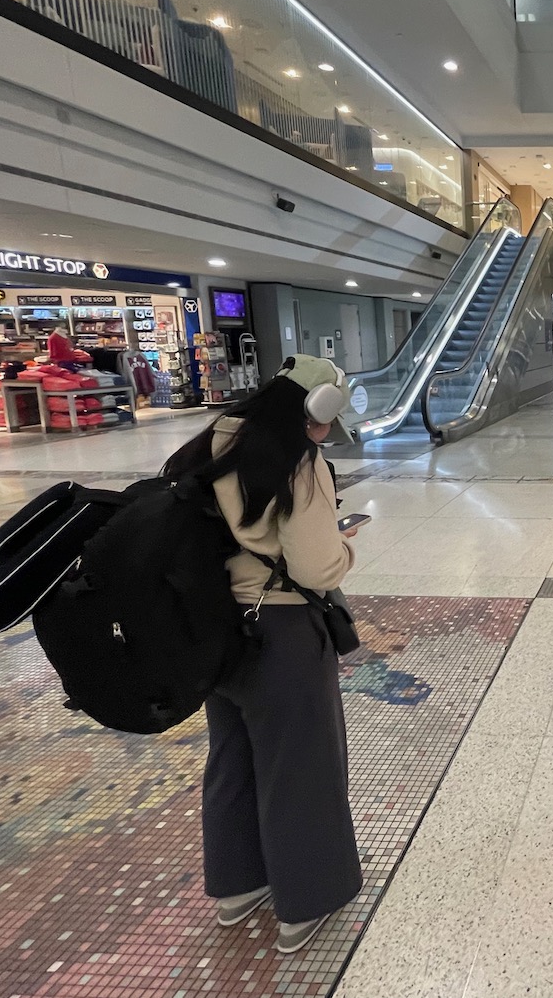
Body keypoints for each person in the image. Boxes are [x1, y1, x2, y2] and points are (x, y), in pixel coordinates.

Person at [162, 355, 363, 957]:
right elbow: (315, 566)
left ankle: (236, 886)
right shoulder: (298, 463)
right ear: (314, 413)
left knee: (233, 755)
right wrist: (344, 549)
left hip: (217, 630)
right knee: (301, 765)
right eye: (328, 422)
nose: (327, 434)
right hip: (280, 631)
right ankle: (306, 900)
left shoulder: (212, 440)